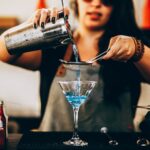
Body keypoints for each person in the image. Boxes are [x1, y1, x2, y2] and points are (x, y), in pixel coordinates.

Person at [0, 0, 150, 132]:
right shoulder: (55, 45)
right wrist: (30, 29)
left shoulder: (130, 48)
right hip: (52, 145)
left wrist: (137, 50)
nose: (96, 3)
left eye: (107, 0)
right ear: (76, 2)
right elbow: (3, 53)